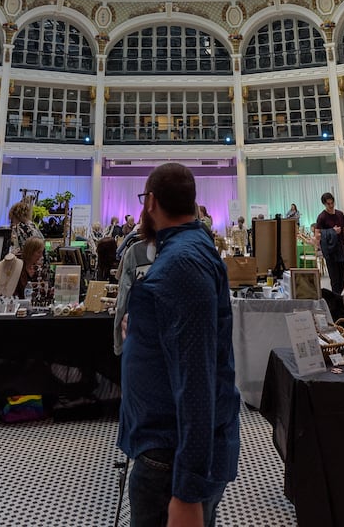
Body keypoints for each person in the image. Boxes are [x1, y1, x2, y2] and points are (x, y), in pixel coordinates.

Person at [118, 163, 239, 527]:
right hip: (166, 444)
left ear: (150, 202)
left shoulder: (182, 263)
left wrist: (187, 490)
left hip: (170, 456)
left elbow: (196, 375)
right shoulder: (189, 248)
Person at [313, 192, 344, 295]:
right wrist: (332, 232)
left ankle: (338, 296)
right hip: (330, 252)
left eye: (332, 203)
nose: (331, 205)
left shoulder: (340, 214)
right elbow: (317, 234)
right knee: (335, 278)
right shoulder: (322, 217)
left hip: (341, 249)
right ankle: (335, 299)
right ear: (324, 204)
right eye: (328, 204)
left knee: (343, 277)